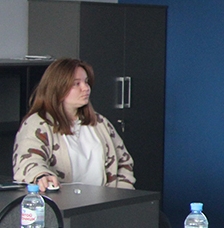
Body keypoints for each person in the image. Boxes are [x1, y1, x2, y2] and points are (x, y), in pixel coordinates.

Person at [13, 58, 135, 190]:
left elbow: (124, 162)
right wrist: (41, 175)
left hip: (105, 200)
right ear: (58, 88)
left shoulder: (100, 123)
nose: (86, 88)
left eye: (86, 82)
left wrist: (122, 193)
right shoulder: (38, 123)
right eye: (76, 84)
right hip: (63, 201)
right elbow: (28, 160)